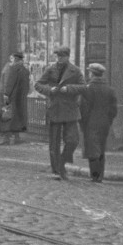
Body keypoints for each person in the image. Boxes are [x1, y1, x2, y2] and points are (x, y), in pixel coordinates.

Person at [35, 46, 84, 180]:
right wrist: (50, 90)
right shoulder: (50, 69)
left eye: (62, 56)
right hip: (55, 108)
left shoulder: (75, 70)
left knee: (73, 140)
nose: (59, 59)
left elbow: (83, 87)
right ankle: (57, 169)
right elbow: (38, 84)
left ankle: (62, 161)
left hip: (70, 110)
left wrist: (68, 89)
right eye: (58, 57)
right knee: (54, 143)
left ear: (68, 56)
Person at [67, 63, 117, 182]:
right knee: (101, 147)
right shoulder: (110, 89)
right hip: (105, 123)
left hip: (90, 123)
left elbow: (83, 108)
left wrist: (82, 123)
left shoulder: (88, 89)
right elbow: (114, 110)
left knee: (92, 149)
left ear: (92, 74)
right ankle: (100, 174)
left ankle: (95, 175)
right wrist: (108, 121)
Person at [0, 51, 29, 146]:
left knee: (7, 115)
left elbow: (9, 83)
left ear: (15, 59)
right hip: (20, 97)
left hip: (11, 96)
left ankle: (6, 138)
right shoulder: (25, 70)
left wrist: (6, 94)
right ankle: (16, 137)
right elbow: (26, 86)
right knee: (17, 116)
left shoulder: (12, 69)